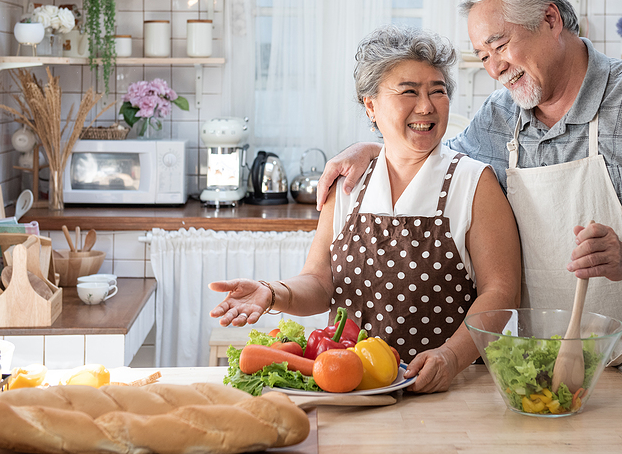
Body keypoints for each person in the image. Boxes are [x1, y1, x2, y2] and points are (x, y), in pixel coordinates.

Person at [315, 0, 622, 452]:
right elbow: (435, 156)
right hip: (546, 371)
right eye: (483, 55)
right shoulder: (503, 112)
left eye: (501, 46)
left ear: (551, 20)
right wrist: (374, 149)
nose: (494, 68)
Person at [210, 25, 521, 393]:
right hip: (352, 387)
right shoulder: (349, 183)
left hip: (450, 388)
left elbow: (501, 292)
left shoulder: (472, 181)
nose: (427, 106)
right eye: (409, 92)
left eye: (437, 91)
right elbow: (320, 282)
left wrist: (450, 357)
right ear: (370, 105)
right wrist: (272, 291)